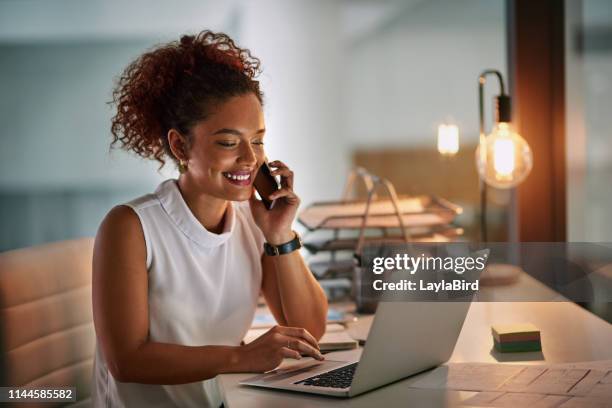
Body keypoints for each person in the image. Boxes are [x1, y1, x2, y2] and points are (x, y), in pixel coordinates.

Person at [91, 30, 328, 408]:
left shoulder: (254, 222)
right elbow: (126, 360)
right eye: (229, 142)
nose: (250, 159)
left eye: (258, 140)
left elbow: (309, 330)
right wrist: (242, 357)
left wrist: (281, 235)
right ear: (180, 145)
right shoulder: (131, 226)